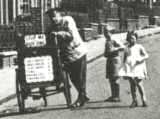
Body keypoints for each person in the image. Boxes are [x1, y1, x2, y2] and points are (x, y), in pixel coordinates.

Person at [46, 8, 89, 108]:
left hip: (78, 53)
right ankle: (83, 95)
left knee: (80, 77)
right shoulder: (53, 26)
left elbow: (70, 35)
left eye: (54, 16)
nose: (53, 19)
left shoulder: (67, 20)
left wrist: (58, 34)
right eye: (51, 17)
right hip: (68, 56)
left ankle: (81, 98)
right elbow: (48, 35)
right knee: (73, 78)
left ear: (59, 15)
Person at [119, 31, 149, 108]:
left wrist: (141, 59)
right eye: (130, 39)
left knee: (139, 84)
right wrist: (124, 69)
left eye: (133, 38)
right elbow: (124, 59)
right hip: (130, 68)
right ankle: (134, 100)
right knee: (132, 85)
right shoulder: (127, 48)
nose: (132, 40)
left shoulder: (139, 47)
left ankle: (144, 100)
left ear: (136, 38)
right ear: (128, 39)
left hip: (138, 67)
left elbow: (146, 55)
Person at [104, 25, 125, 102]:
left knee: (115, 78)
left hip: (115, 60)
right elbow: (106, 52)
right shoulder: (107, 41)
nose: (105, 34)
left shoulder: (114, 39)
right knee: (111, 78)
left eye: (106, 32)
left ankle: (117, 96)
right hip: (109, 60)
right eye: (104, 32)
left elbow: (122, 47)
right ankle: (113, 95)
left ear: (110, 32)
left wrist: (114, 49)